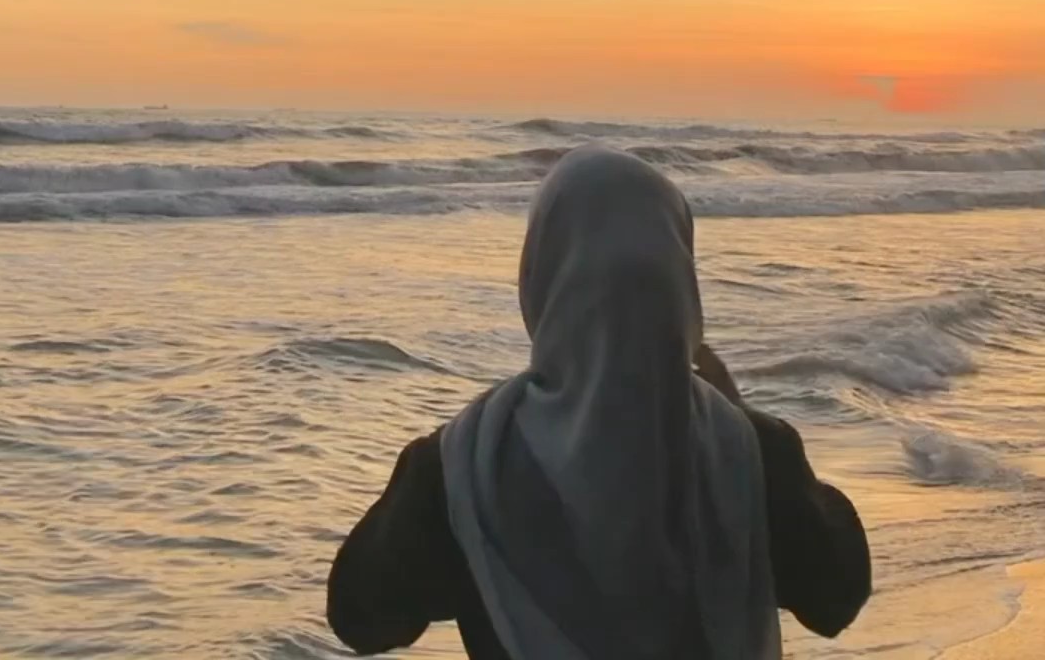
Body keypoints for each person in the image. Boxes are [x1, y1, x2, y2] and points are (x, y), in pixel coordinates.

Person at [328, 146, 870, 660]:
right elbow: (835, 600)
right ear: (681, 282)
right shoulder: (755, 456)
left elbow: (362, 619)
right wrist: (741, 421)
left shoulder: (463, 465)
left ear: (541, 276)